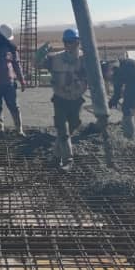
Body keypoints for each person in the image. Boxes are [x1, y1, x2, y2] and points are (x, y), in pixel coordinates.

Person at [39, 28, 86, 167]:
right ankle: (68, 159)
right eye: (66, 42)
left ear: (77, 42)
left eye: (71, 42)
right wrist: (39, 56)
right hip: (60, 99)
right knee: (62, 130)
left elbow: (97, 74)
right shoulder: (56, 58)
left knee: (72, 127)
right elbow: (37, 65)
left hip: (76, 99)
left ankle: (56, 157)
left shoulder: (85, 59)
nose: (68, 45)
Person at [107, 56, 135, 138]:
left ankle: (129, 137)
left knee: (127, 107)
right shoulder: (115, 65)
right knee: (130, 104)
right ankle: (128, 130)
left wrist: (111, 102)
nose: (108, 80)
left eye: (107, 78)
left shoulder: (115, 70)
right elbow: (118, 92)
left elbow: (117, 91)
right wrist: (113, 101)